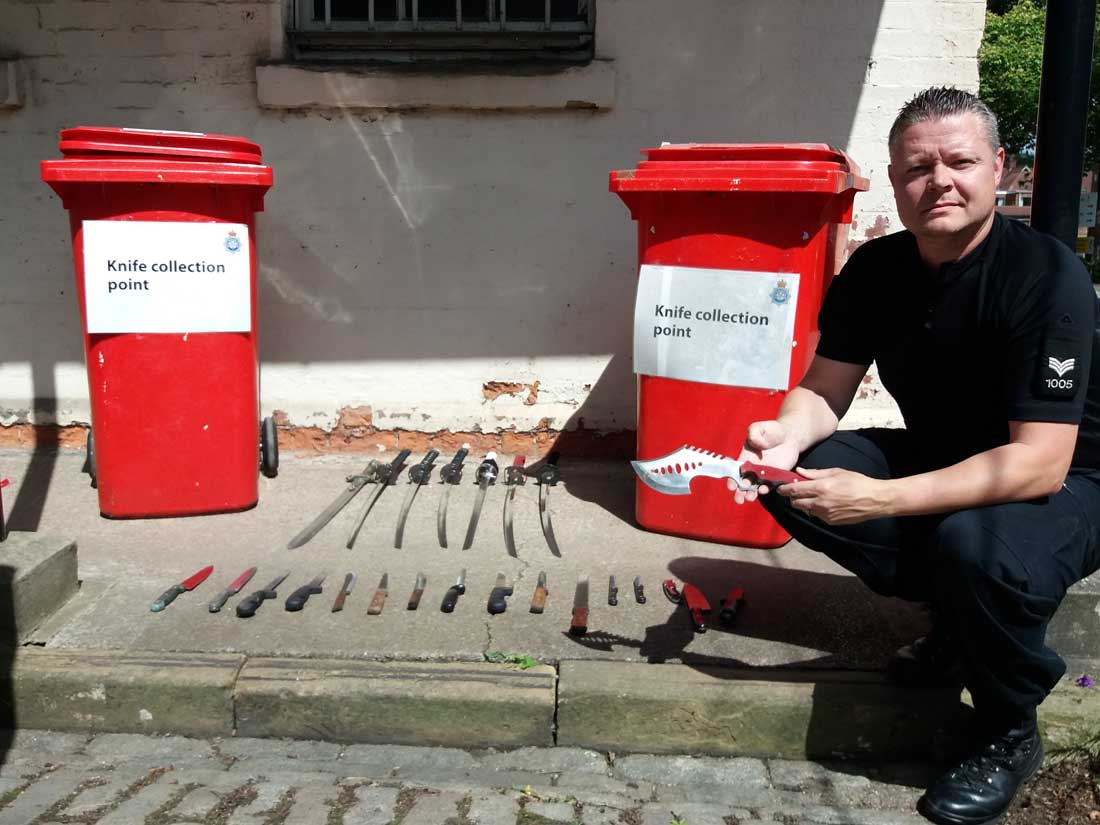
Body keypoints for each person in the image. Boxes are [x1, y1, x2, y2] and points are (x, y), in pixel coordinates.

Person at [732, 86, 1100, 825]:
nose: (940, 181)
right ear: (895, 179)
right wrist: (783, 436)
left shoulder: (1047, 276)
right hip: (949, 456)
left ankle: (1006, 723)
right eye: (918, 167)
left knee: (975, 543)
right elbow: (822, 388)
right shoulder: (877, 269)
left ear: (998, 168)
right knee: (789, 481)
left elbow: (1040, 464)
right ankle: (960, 628)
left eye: (960, 162)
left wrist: (879, 498)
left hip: (1072, 481)